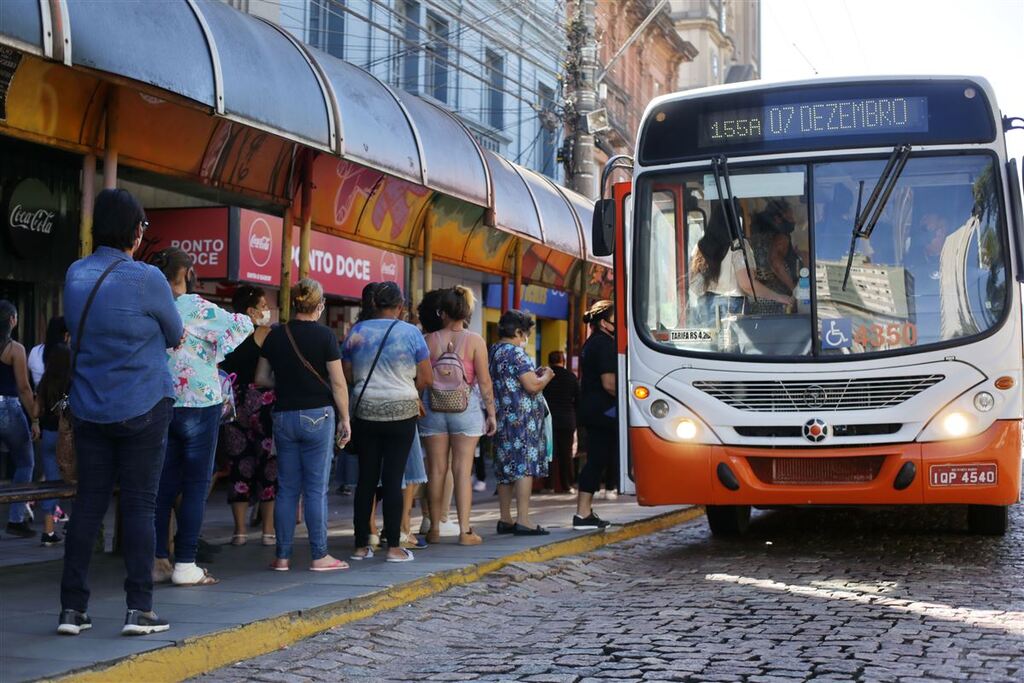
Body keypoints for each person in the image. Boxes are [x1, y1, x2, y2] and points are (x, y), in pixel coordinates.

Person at [59, 188, 183, 636]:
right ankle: (139, 609)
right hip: (143, 405)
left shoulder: (75, 274)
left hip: (90, 406)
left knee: (88, 505)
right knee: (139, 505)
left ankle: (72, 610)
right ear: (135, 231)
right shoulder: (147, 278)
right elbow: (175, 333)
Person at [150, 248, 253, 586]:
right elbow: (243, 325)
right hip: (202, 402)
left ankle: (157, 559)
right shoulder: (198, 307)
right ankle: (185, 564)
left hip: (162, 401)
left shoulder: (151, 308)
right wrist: (214, 348)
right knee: (195, 486)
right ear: (189, 272)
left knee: (162, 485)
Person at [256, 278, 351, 572]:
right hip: (318, 416)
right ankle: (319, 555)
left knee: (286, 489)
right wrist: (346, 418)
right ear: (319, 306)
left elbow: (260, 378)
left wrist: (284, 383)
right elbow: (337, 382)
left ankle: (282, 557)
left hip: (284, 416)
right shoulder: (325, 336)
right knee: (315, 489)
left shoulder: (276, 335)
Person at [343, 282, 432, 563]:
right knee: (394, 479)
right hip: (402, 413)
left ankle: (360, 546)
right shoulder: (411, 333)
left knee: (366, 478)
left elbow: (347, 373)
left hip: (366, 411)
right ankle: (394, 547)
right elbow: (426, 377)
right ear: (400, 306)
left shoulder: (357, 332)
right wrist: (409, 393)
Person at [419, 286, 497, 546]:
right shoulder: (475, 341)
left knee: (436, 469)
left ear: (442, 313)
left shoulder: (429, 340)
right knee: (462, 470)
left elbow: (422, 379)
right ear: (467, 312)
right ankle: (465, 532)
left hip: (434, 408)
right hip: (466, 408)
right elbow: (485, 382)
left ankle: (433, 528)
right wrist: (491, 414)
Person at [220, 285, 278, 546]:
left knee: (238, 466)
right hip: (262, 404)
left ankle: (240, 532)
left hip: (233, 404)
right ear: (251, 311)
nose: (268, 311)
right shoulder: (265, 334)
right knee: (268, 467)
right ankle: (267, 531)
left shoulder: (225, 334)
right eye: (264, 306)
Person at [489, 310, 551, 536]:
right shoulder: (517, 354)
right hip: (522, 418)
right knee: (524, 465)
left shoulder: (493, 351)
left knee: (505, 468)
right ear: (518, 332)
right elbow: (532, 385)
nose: (527, 338)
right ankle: (523, 519)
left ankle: (505, 518)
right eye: (526, 334)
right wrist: (546, 377)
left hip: (502, 416)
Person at [573, 300, 618, 530]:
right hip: (603, 411)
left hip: (593, 409)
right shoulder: (605, 345)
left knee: (597, 460)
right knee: (597, 461)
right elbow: (609, 383)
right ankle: (582, 514)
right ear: (604, 323)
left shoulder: (592, 343)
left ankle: (585, 512)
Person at [0, 299, 39, 539]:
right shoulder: (15, 349)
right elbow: (24, 388)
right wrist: (35, 418)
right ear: (12, 320)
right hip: (9, 408)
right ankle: (15, 519)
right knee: (25, 463)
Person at [33, 343, 71, 546]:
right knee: (75, 480)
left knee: (51, 482)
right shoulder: (71, 382)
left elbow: (36, 409)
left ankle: (48, 531)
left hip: (48, 435)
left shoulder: (45, 382)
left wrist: (36, 422)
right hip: (67, 437)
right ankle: (73, 526)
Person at [542, 350, 579, 494]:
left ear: (549, 362)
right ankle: (567, 485)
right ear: (563, 361)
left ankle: (548, 485)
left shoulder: (545, 378)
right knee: (566, 454)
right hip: (567, 419)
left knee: (549, 453)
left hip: (549, 420)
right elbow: (578, 398)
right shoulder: (571, 377)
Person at [27, 316, 68, 387]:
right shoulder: (68, 354)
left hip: (39, 395)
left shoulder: (35, 351)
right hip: (64, 397)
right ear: (65, 335)